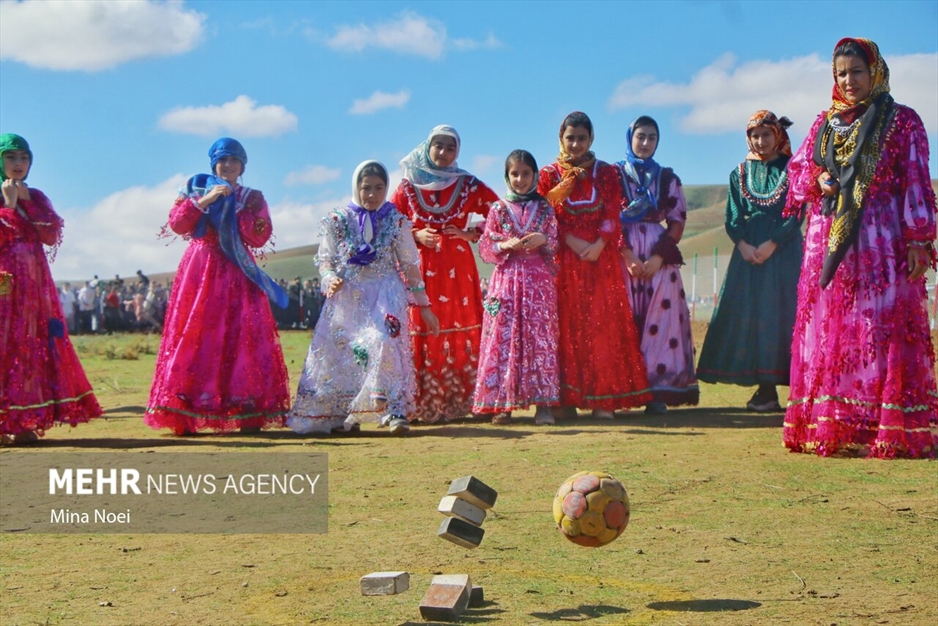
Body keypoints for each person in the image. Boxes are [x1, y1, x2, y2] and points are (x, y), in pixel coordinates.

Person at [783, 38, 937, 458]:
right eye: (841, 74)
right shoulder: (823, 124)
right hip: (826, 242)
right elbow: (797, 176)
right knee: (830, 330)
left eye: (856, 71)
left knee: (879, 327)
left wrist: (919, 239)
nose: (849, 81)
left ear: (876, 72)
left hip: (881, 241)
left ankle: (882, 425)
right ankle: (832, 423)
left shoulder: (903, 121)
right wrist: (817, 182)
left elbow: (916, 181)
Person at [145, 138, 291, 435]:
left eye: (234, 161)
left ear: (243, 166)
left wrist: (235, 209)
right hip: (200, 270)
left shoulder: (252, 197)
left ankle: (247, 406)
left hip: (238, 270)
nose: (228, 166)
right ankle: (185, 409)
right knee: (197, 332)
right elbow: (177, 224)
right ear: (214, 164)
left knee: (243, 335)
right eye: (223, 161)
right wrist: (207, 200)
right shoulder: (195, 188)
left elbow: (260, 235)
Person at [288, 161, 439, 435]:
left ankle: (393, 410)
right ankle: (345, 413)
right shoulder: (338, 219)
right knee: (346, 350)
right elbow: (325, 260)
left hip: (386, 292)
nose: (372, 194)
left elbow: (409, 264)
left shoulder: (396, 220)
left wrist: (424, 305)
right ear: (356, 187)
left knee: (385, 340)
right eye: (366, 188)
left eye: (379, 188)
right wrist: (329, 278)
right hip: (348, 295)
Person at [538, 112, 651, 417]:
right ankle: (567, 400)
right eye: (570, 138)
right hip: (565, 262)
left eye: (581, 138)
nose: (575, 144)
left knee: (602, 327)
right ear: (561, 138)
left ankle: (604, 400)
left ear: (591, 139)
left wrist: (600, 244)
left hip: (602, 262)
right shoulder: (548, 174)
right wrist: (573, 243)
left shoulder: (606, 173)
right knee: (568, 326)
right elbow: (545, 216)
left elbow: (614, 211)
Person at [697, 111, 804, 410]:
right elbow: (732, 214)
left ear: (777, 134)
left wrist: (773, 243)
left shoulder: (793, 169)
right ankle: (766, 389)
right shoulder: (739, 173)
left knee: (785, 314)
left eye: (766, 134)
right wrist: (743, 244)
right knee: (754, 317)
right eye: (755, 135)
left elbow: (797, 211)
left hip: (783, 251)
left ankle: (802, 391)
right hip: (748, 254)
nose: (760, 141)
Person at [392, 125, 499, 423]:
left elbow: (500, 211)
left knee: (461, 323)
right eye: (438, 145)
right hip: (421, 269)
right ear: (427, 146)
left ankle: (465, 401)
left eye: (450, 147)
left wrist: (471, 233)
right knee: (422, 326)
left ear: (458, 152)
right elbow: (389, 223)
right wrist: (414, 234)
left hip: (458, 269)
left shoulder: (467, 183)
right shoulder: (407, 186)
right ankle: (422, 404)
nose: (443, 152)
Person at [0, 133, 102, 444]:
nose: (18, 164)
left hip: (32, 288)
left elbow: (50, 235)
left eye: (24, 158)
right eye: (11, 157)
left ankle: (24, 419)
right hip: (3, 285)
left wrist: (27, 202)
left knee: (29, 346)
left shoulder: (37, 197)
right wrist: (8, 205)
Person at [615, 116, 699, 414]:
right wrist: (626, 255)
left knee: (659, 324)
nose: (646, 143)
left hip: (658, 256)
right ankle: (622, 390)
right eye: (641, 136)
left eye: (652, 137)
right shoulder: (613, 176)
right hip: (621, 254)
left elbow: (677, 219)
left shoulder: (668, 178)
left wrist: (659, 256)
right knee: (621, 320)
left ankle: (656, 392)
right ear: (630, 137)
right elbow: (607, 219)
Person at [472, 150, 560, 425]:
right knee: (503, 337)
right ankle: (502, 404)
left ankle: (543, 405)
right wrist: (504, 245)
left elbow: (556, 242)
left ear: (534, 175)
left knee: (539, 338)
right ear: (507, 176)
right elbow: (486, 247)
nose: (520, 179)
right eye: (515, 174)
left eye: (525, 173)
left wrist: (542, 239)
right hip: (506, 281)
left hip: (538, 282)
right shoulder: (498, 209)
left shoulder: (545, 208)